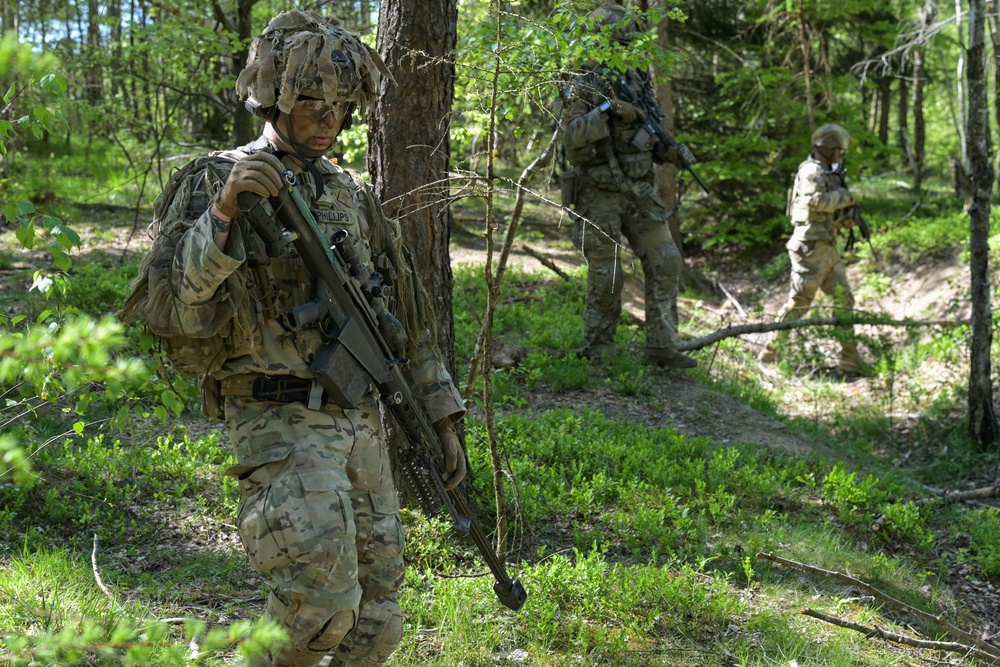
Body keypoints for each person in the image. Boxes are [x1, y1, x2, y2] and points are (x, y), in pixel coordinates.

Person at [126, 11, 466, 667]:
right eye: (310, 101)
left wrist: (442, 411)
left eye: (339, 105)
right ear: (276, 95)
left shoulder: (351, 193)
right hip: (273, 412)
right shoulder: (218, 178)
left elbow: (405, 314)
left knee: (378, 620)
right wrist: (225, 216)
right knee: (319, 611)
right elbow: (175, 305)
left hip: (357, 417)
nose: (326, 117)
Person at [560, 4, 698, 369]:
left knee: (666, 260)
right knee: (608, 272)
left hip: (639, 192)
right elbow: (571, 138)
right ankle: (600, 348)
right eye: (622, 43)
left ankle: (662, 347)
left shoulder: (638, 78)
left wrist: (671, 153)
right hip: (598, 192)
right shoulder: (582, 78)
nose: (626, 50)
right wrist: (607, 109)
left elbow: (650, 135)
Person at [758, 123, 862, 375]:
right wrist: (848, 196)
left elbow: (829, 210)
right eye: (837, 149)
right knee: (800, 303)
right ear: (824, 148)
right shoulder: (811, 172)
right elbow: (817, 202)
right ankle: (770, 354)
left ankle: (850, 360)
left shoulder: (828, 174)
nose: (840, 154)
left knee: (844, 301)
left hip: (827, 247)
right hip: (810, 249)